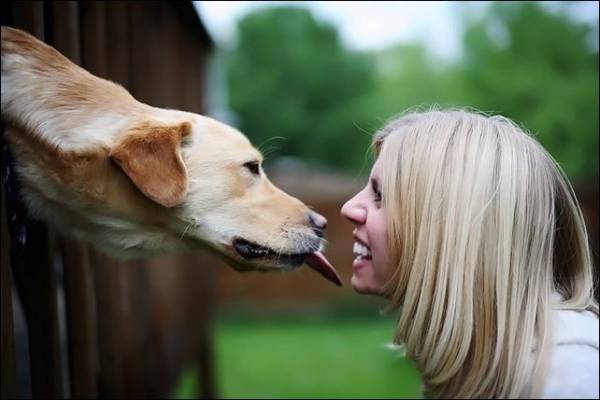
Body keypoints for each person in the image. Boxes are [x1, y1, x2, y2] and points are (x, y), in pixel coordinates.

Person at [341, 108, 599, 399]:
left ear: (449, 228)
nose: (348, 207)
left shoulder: (569, 378)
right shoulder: (485, 360)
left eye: (381, 196)